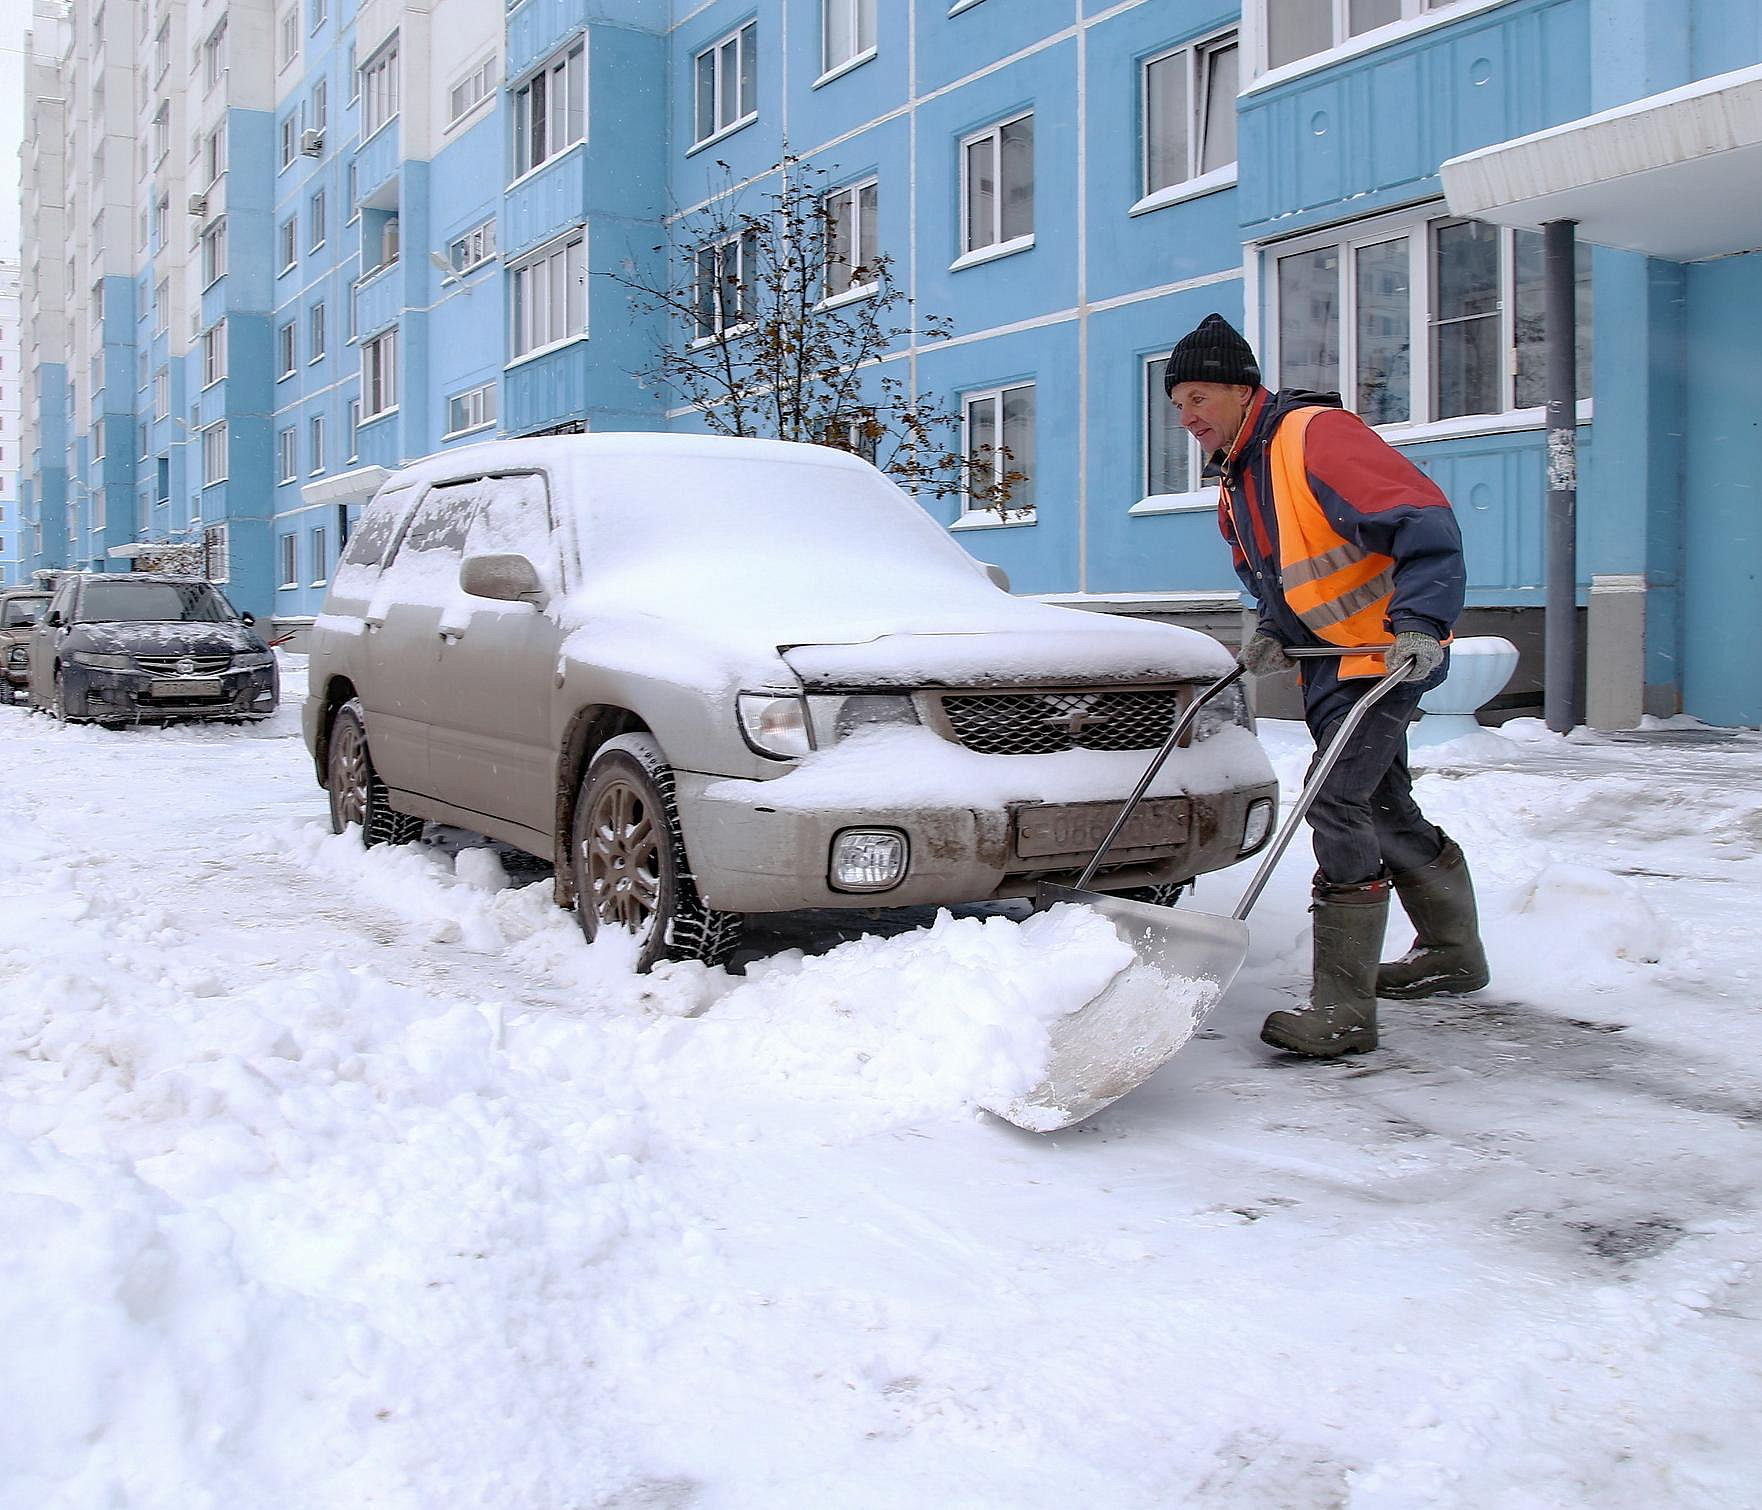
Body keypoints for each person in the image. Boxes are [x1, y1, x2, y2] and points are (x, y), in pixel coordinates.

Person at [1163, 312, 1489, 1058]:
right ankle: (1453, 952)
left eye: (1199, 398)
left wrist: (1421, 625)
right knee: (1379, 800)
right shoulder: (1238, 482)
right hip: (1332, 664)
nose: (1186, 418)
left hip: (1386, 653)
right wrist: (1275, 629)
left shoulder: (1313, 435)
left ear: (1245, 391)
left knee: (1336, 798)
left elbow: (1425, 525)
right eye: (1177, 404)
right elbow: (1279, 575)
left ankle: (1342, 1008)